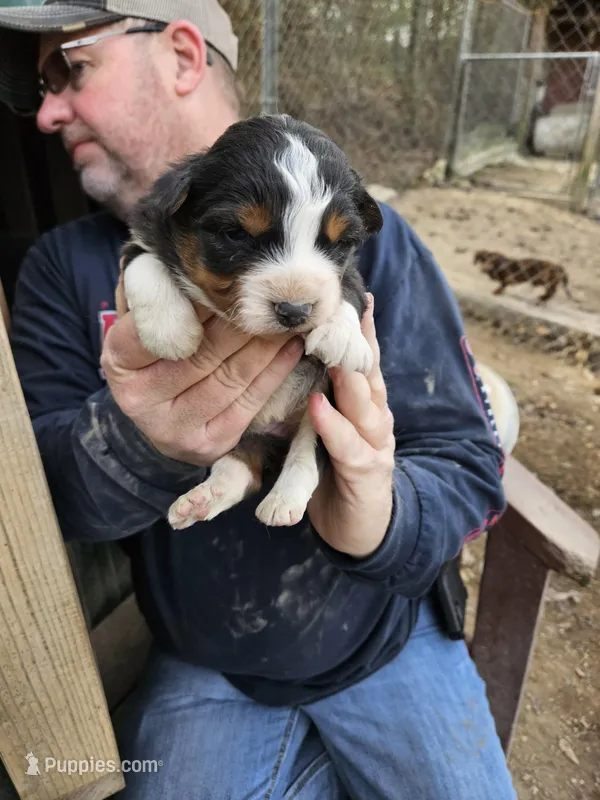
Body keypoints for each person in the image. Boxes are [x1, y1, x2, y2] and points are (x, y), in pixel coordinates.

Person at [0, 2, 517, 798]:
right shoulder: (56, 271)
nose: (46, 111)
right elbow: (43, 503)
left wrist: (379, 517)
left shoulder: (381, 245)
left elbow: (470, 460)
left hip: (388, 633)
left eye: (70, 68)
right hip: (204, 656)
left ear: (180, 55)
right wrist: (145, 443)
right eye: (36, 85)